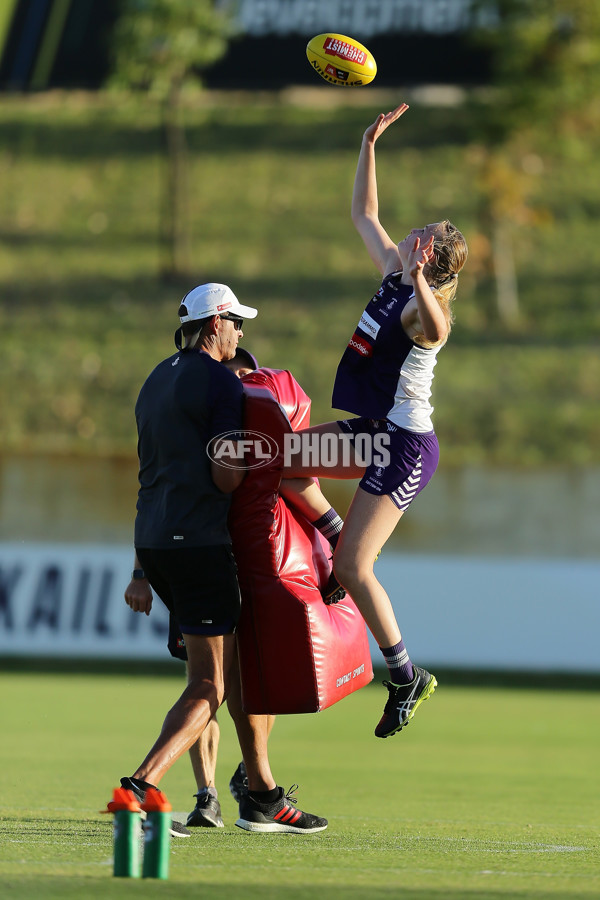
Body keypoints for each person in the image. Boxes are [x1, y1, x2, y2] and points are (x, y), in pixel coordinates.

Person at [283, 103, 469, 740]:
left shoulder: (424, 305)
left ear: (433, 259)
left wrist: (422, 284)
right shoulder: (397, 272)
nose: (409, 235)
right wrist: (368, 143)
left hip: (405, 447)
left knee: (357, 569)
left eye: (422, 236)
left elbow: (438, 331)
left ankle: (405, 673)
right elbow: (364, 214)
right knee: (282, 460)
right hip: (376, 433)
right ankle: (333, 535)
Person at [122, 282, 327, 834]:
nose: (240, 333)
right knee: (209, 686)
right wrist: (261, 466)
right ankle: (140, 789)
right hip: (201, 545)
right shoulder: (219, 383)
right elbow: (224, 476)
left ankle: (258, 794)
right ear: (215, 324)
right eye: (236, 322)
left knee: (226, 674)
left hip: (158, 545)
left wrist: (140, 567)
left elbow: (147, 478)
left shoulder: (154, 380)